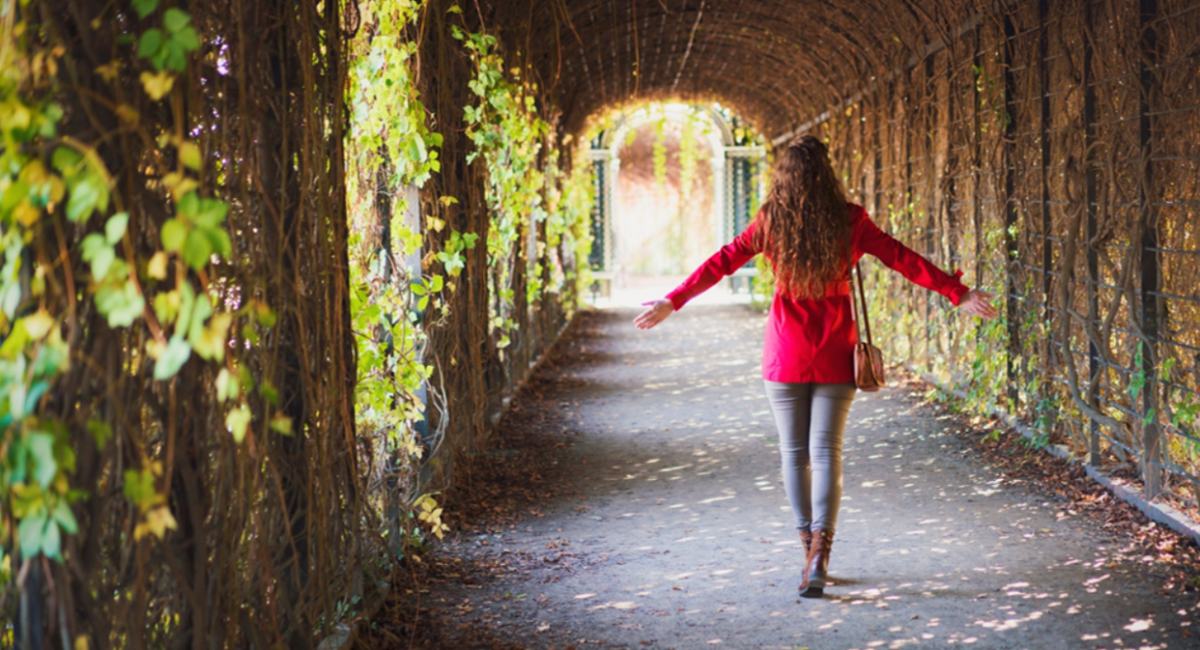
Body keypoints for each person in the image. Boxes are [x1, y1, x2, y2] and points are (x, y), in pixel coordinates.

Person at [633, 135, 998, 598]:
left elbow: (721, 262)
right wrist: (955, 292)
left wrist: (673, 300)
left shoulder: (770, 222)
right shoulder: (850, 220)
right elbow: (902, 259)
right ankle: (821, 553)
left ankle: (807, 548)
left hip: (785, 350)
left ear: (782, 177)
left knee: (793, 454)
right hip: (834, 350)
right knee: (826, 452)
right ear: (827, 175)